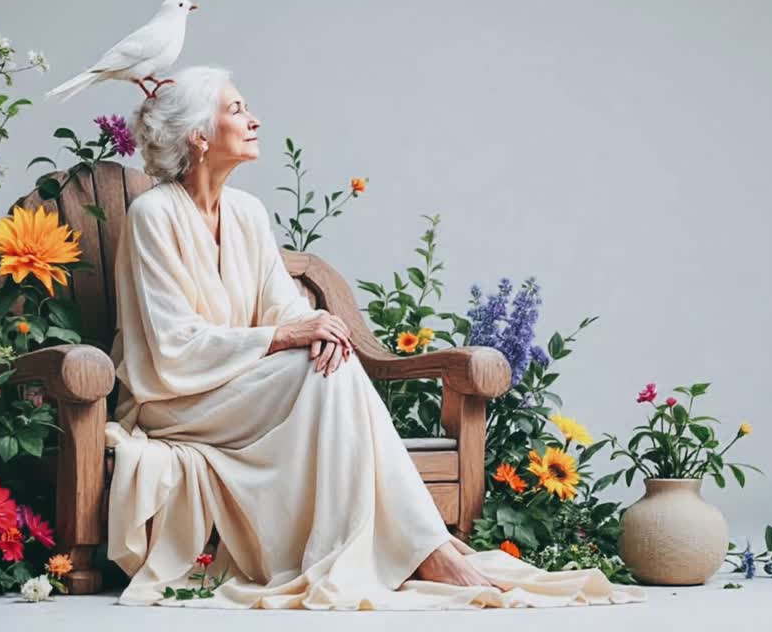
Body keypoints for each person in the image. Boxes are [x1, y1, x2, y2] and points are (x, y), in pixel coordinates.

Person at [103, 65, 647, 610]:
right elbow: (172, 343)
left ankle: (420, 549)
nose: (254, 119)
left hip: (244, 389)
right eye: (237, 109)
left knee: (327, 366)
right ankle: (430, 551)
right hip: (177, 398)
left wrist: (321, 330)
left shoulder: (247, 213)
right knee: (313, 371)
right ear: (199, 135)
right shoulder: (152, 216)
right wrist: (291, 333)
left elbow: (280, 303)